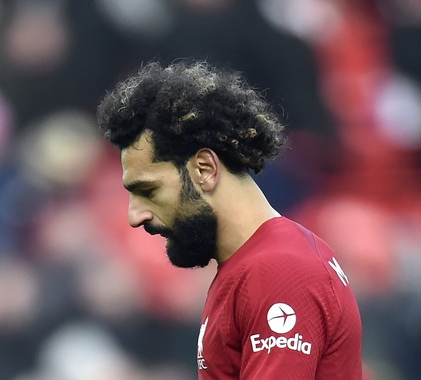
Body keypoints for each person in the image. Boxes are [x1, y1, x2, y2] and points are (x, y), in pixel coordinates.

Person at [96, 60, 362, 379]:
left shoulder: (279, 270)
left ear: (205, 169)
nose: (134, 215)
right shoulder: (247, 267)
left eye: (149, 190)